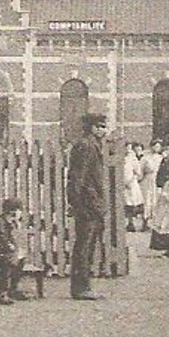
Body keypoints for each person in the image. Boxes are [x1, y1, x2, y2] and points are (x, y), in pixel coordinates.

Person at [66, 113, 108, 300]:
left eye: (103, 126)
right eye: (99, 126)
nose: (103, 130)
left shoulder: (92, 145)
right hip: (87, 204)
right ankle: (81, 287)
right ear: (91, 127)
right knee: (84, 247)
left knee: (88, 246)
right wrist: (76, 203)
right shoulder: (86, 146)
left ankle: (84, 286)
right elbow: (77, 178)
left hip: (92, 203)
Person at [122, 142, 146, 232]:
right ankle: (129, 222)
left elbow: (138, 173)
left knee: (132, 204)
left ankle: (134, 223)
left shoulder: (133, 159)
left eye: (129, 148)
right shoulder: (120, 158)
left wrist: (131, 181)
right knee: (125, 204)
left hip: (131, 184)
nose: (127, 150)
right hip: (121, 184)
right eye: (126, 148)